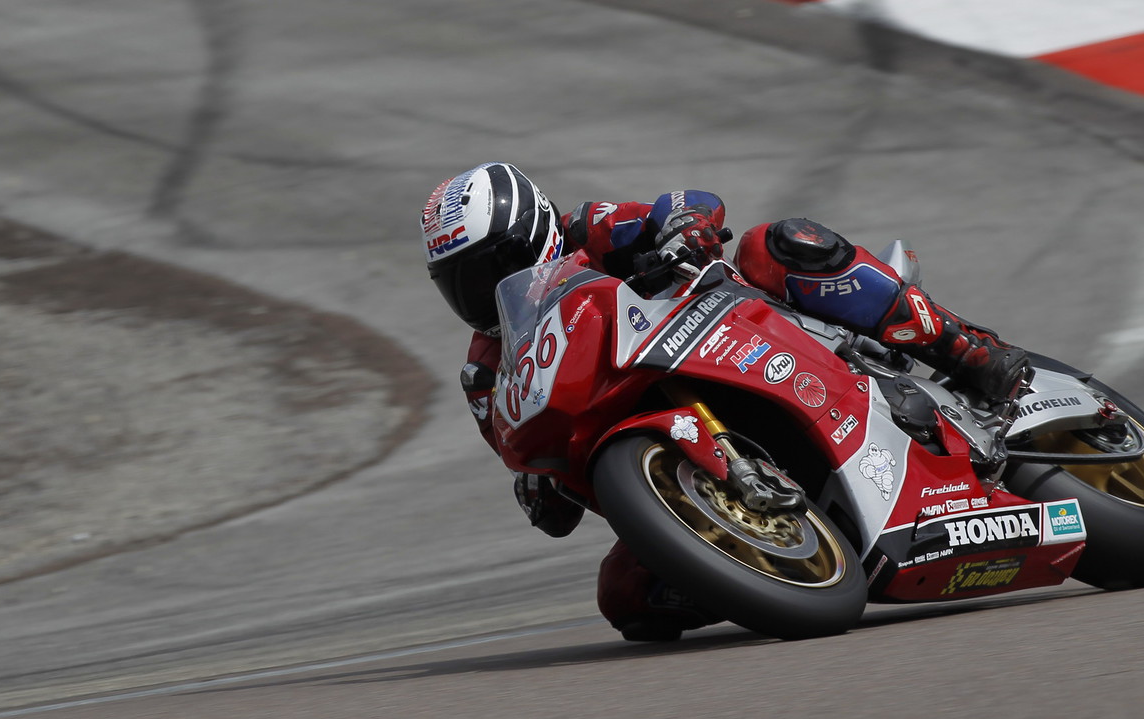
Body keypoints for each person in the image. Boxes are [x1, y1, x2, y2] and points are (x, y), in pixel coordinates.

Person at [422, 162, 1031, 640]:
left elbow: (686, 202)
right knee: (626, 598)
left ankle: (968, 350)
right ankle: (772, 562)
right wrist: (537, 482)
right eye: (460, 282)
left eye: (494, 265)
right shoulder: (487, 372)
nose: (480, 291)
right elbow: (529, 469)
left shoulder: (591, 230)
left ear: (537, 231)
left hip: (740, 336)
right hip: (665, 452)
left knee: (778, 242)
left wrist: (684, 227)